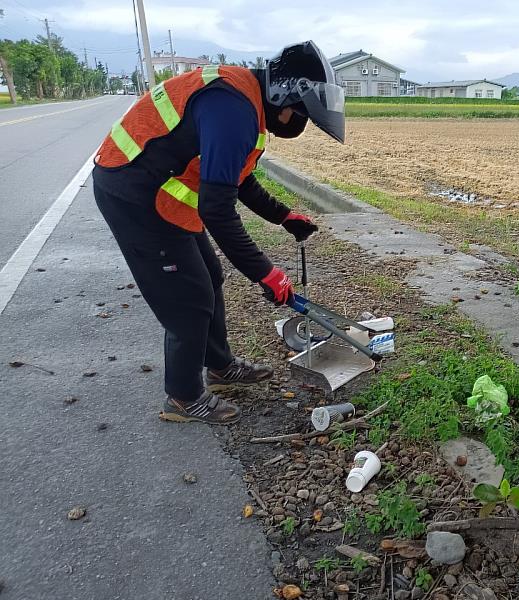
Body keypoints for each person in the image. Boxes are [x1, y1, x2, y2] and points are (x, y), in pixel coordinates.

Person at [92, 41, 345, 425]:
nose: (299, 122)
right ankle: (183, 397)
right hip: (135, 195)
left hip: (163, 192)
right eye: (301, 113)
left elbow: (236, 181)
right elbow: (216, 210)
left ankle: (220, 367)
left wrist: (283, 216)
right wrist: (265, 272)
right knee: (188, 297)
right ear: (285, 98)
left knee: (209, 276)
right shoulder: (232, 110)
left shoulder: (247, 103)